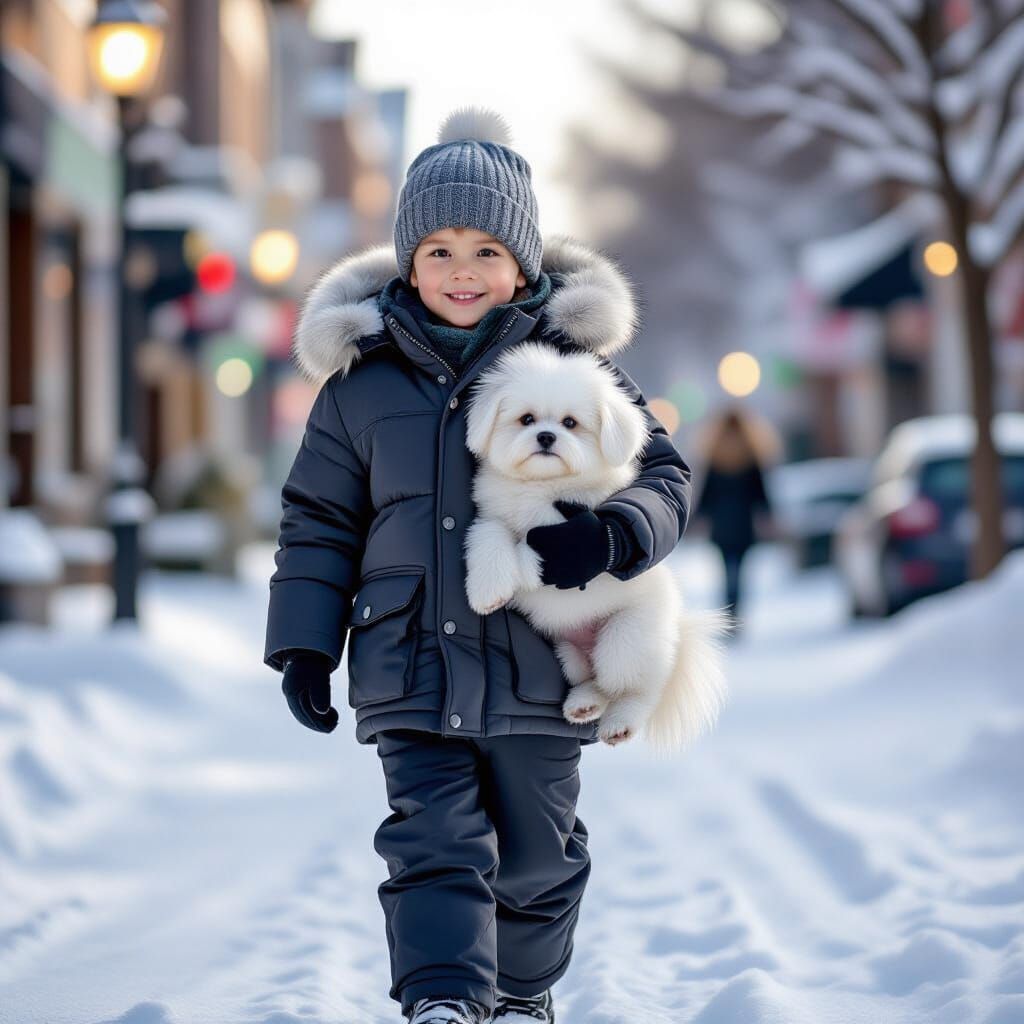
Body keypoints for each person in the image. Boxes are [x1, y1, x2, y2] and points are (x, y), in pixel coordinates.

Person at [264, 107, 693, 1024]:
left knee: (540, 855)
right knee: (433, 842)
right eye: (440, 251)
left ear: (526, 264)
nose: (463, 272)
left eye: (488, 250)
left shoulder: (574, 366)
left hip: (540, 662)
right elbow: (317, 520)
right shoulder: (359, 385)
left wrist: (615, 534)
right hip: (408, 656)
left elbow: (662, 473)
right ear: (409, 262)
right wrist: (304, 642)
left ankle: (522, 990)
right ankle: (447, 1001)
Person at [692, 408, 776, 631]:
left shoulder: (715, 458)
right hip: (744, 525)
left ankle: (729, 614)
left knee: (726, 571)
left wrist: (694, 520)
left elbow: (705, 497)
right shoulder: (751, 457)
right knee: (739, 571)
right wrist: (770, 518)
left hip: (721, 526)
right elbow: (762, 495)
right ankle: (735, 614)